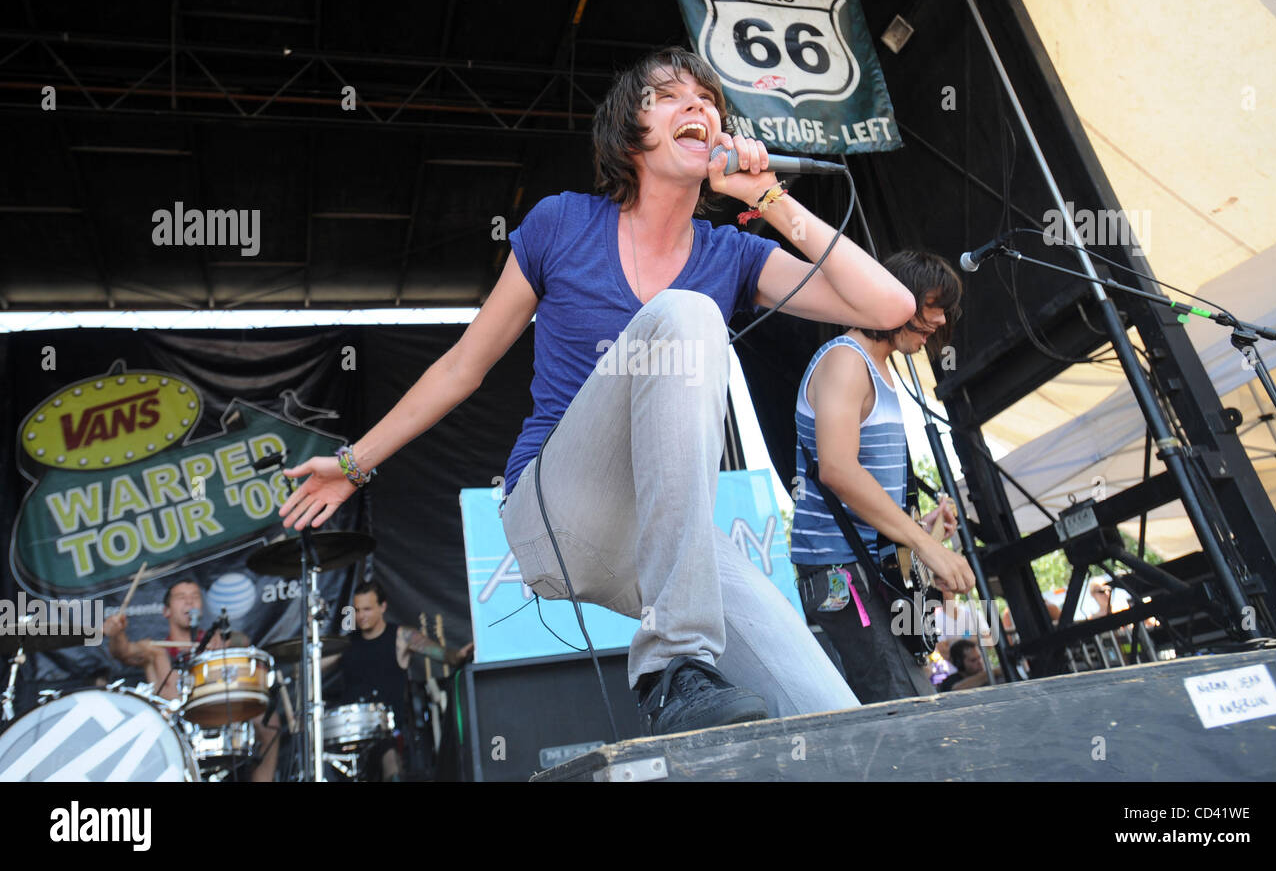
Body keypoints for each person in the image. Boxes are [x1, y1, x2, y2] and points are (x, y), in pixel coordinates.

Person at [279, 46, 925, 736]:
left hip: (667, 532)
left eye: (709, 100)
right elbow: (463, 366)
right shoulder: (563, 223)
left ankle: (705, 672)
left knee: (831, 710)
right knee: (687, 314)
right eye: (671, 96)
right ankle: (672, 666)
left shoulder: (730, 253)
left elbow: (890, 306)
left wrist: (769, 198)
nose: (699, 108)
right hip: (556, 508)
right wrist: (352, 465)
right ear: (630, 132)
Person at [791, 250, 976, 704]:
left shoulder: (884, 369)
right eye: (929, 305)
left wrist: (921, 523)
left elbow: (867, 485)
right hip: (841, 573)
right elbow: (838, 469)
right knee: (904, 714)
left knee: (909, 702)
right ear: (895, 298)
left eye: (942, 309)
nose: (936, 320)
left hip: (870, 567)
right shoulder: (845, 360)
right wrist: (925, 544)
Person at [104, 577, 281, 782]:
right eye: (181, 597)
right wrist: (116, 634)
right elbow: (122, 652)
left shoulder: (215, 642)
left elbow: (245, 641)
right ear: (166, 611)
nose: (189, 602)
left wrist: (227, 642)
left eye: (195, 597)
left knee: (269, 721)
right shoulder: (154, 649)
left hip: (217, 717)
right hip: (174, 728)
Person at [322, 579, 472, 781]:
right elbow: (310, 667)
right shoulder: (347, 643)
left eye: (367, 609)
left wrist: (460, 655)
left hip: (389, 732)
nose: (361, 616)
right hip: (350, 734)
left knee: (390, 759)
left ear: (382, 607)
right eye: (357, 610)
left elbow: (445, 655)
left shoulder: (402, 637)